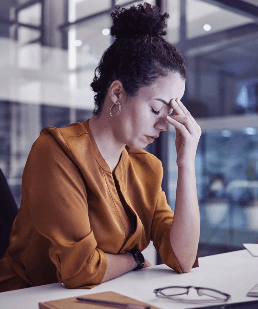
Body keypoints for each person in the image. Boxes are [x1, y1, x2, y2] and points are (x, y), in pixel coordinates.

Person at [0, 3, 201, 292]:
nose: (165, 125)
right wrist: (134, 258)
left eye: (171, 112)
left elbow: (182, 258)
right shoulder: (57, 151)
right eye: (157, 109)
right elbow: (81, 270)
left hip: (103, 297)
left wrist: (186, 165)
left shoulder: (146, 167)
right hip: (24, 298)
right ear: (117, 93)